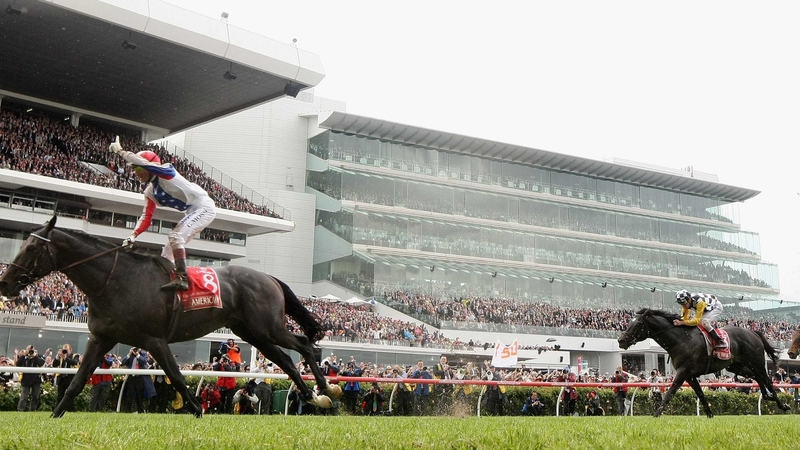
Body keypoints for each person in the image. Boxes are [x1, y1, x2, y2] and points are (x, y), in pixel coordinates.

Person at [109, 136, 217, 291]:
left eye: (138, 169)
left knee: (175, 237)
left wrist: (120, 151)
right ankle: (167, 279)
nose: (136, 173)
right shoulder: (150, 191)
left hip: (204, 207)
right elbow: (146, 217)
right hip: (191, 211)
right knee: (167, 250)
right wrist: (133, 235)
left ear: (149, 166)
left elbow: (143, 163)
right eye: (134, 170)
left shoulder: (166, 170)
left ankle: (183, 278)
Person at [16, 345, 45, 411]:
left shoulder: (37, 357)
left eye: (31, 350)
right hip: (26, 379)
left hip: (36, 379)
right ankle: (20, 409)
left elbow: (41, 363)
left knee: (35, 396)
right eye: (29, 349)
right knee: (24, 396)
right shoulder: (24, 358)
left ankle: (32, 409)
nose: (30, 351)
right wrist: (24, 355)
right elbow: (18, 364)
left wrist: (35, 356)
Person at [51, 344, 79, 411]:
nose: (65, 352)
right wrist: (58, 356)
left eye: (66, 350)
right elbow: (54, 364)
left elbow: (74, 362)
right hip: (62, 378)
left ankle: (70, 410)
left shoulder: (75, 356)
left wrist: (66, 358)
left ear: (70, 350)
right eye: (64, 350)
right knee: (60, 396)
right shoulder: (61, 357)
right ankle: (57, 410)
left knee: (70, 395)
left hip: (70, 379)